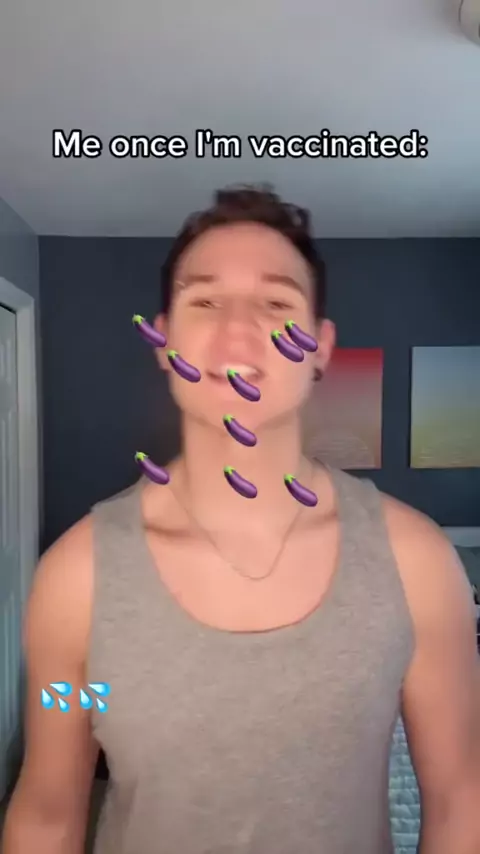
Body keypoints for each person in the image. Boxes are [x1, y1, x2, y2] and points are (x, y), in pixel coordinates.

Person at [2, 185, 479, 854]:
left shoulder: (418, 563)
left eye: (276, 303)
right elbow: (48, 813)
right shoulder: (74, 581)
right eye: (204, 302)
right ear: (163, 339)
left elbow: (461, 802)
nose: (237, 332)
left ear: (319, 346)